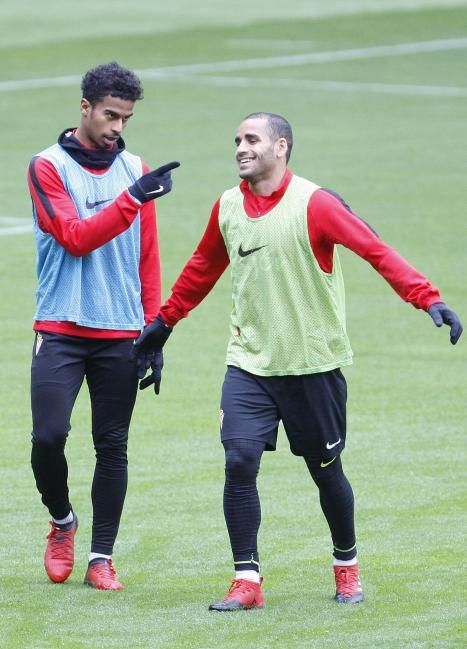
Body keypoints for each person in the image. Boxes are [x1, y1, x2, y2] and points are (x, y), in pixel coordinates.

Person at [131, 112, 462, 609]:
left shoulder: (316, 204)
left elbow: (375, 251)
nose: (241, 148)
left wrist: (427, 297)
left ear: (281, 146)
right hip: (249, 364)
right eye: (237, 140)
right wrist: (164, 323)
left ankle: (346, 565)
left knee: (326, 469)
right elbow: (202, 267)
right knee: (239, 459)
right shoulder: (227, 206)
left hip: (313, 366)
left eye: (252, 139)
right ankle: (247, 580)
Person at [27, 61, 180, 590]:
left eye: (126, 118)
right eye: (110, 115)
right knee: (49, 436)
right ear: (85, 108)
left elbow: (148, 254)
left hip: (120, 331)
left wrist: (154, 329)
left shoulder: (133, 166)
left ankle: (100, 558)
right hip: (62, 327)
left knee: (112, 446)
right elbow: (73, 235)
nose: (117, 127)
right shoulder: (46, 166)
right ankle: (62, 522)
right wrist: (132, 197)